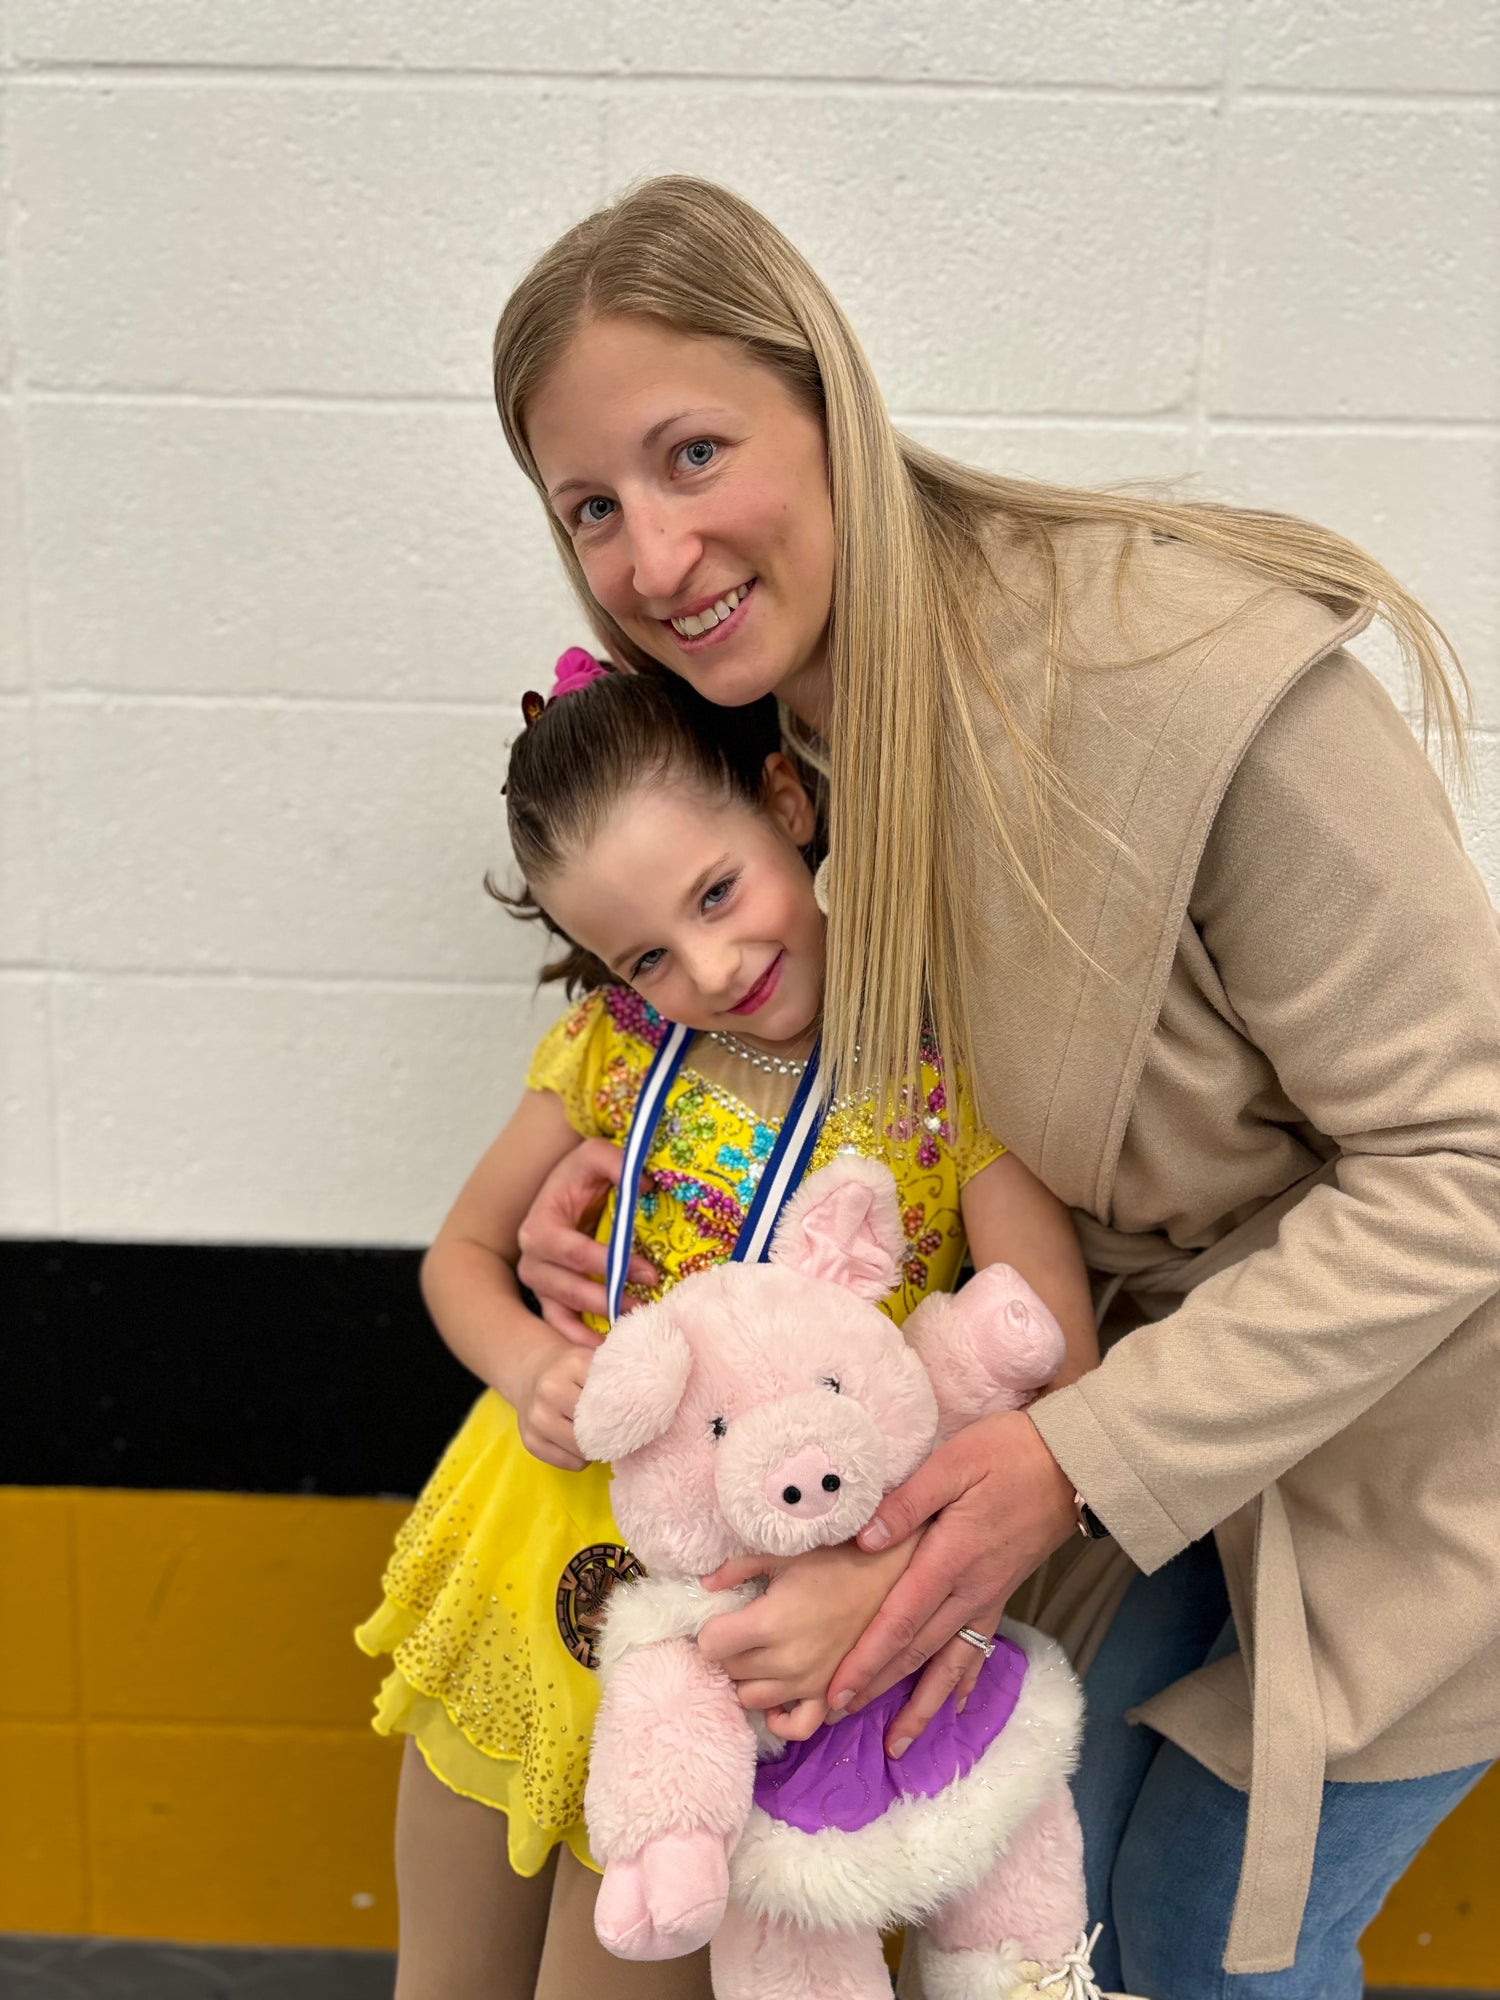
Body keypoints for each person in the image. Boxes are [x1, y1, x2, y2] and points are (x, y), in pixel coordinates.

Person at [491, 176, 1500, 1999]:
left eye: (693, 451)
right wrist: (634, 1158)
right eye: (591, 508)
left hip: (1420, 1457)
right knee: (1031, 1933)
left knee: (1204, 1953)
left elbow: (1474, 1162)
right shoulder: (795, 735)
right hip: (1151, 1446)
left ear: (831, 400)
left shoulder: (1181, 678)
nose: (649, 557)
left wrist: (1066, 1457)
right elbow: (879, 1073)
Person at [357, 651, 1098, 2000]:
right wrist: (530, 1362)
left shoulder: (952, 1070)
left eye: (718, 892)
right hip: (530, 1553)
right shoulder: (611, 1047)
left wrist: (911, 1574)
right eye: (646, 950)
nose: (707, 965)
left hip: (747, 1631)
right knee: (447, 1973)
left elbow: (1062, 1361)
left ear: (786, 802)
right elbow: (462, 1257)